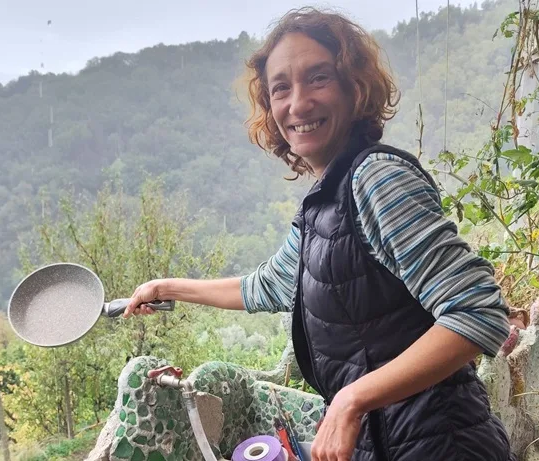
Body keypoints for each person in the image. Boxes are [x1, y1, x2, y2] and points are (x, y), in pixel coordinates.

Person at [123, 7, 514, 461]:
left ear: (355, 88)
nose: (298, 103)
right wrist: (165, 287)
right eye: (281, 88)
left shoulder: (375, 179)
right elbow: (268, 285)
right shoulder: (326, 200)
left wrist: (351, 400)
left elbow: (477, 313)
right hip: (384, 442)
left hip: (441, 445)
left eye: (319, 78)